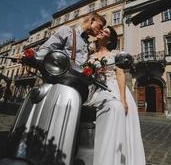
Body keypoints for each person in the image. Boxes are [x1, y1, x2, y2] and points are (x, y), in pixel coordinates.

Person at [85, 26, 146, 165]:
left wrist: (123, 100)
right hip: (96, 89)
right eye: (102, 30)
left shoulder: (115, 54)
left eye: (105, 31)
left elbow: (120, 75)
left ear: (109, 40)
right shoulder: (91, 57)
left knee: (116, 109)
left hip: (115, 89)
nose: (101, 31)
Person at [36, 12, 106, 65]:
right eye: (100, 26)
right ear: (92, 21)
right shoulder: (66, 31)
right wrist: (35, 57)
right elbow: (47, 49)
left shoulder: (87, 45)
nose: (101, 30)